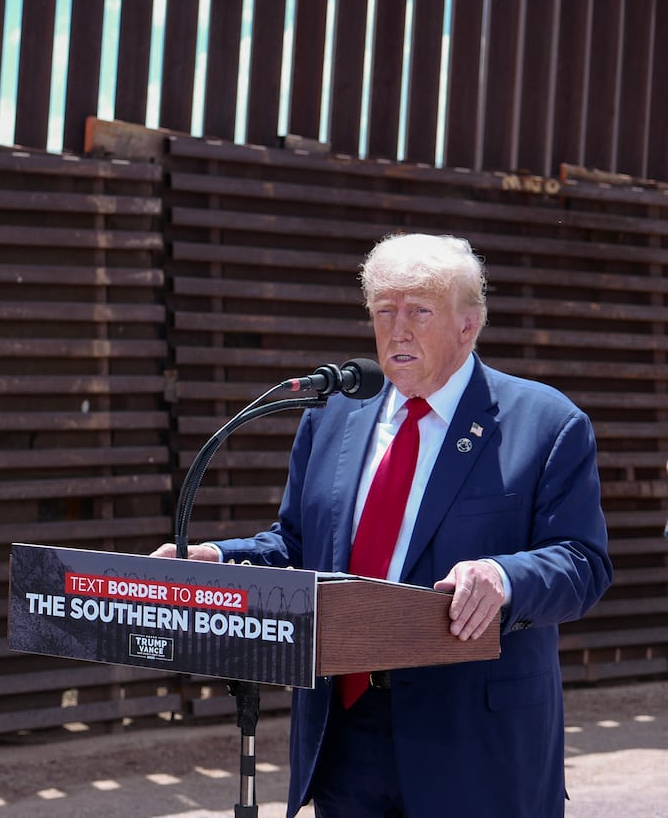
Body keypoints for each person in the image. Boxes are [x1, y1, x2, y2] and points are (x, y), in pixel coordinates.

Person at [153, 232, 612, 817]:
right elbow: (296, 543)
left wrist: (502, 576)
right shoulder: (333, 418)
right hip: (344, 728)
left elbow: (582, 560)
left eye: (419, 312)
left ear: (468, 325)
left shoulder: (546, 423)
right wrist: (219, 559)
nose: (398, 331)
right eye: (384, 312)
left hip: (471, 734)